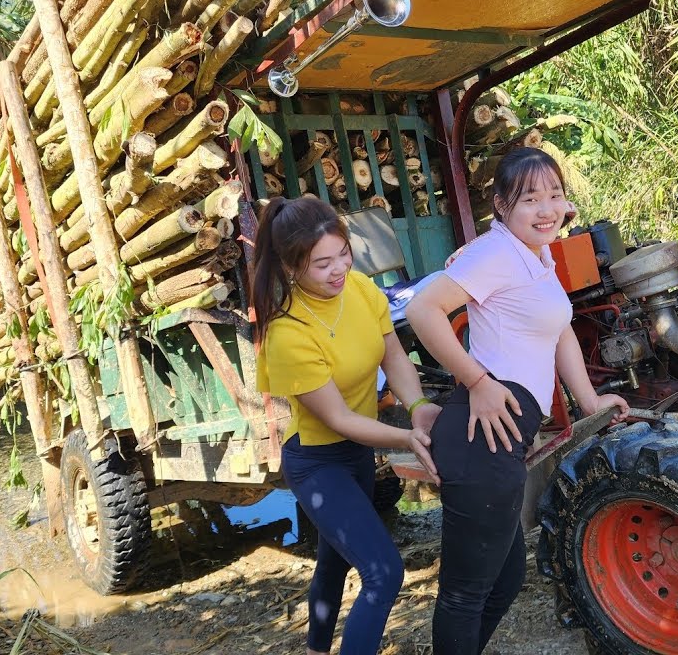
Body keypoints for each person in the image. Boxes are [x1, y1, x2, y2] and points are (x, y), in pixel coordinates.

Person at [405, 147, 630, 654]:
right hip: (480, 440)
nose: (547, 208)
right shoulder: (496, 253)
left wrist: (591, 400)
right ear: (502, 206)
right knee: (465, 595)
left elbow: (560, 332)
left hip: (501, 442)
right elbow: (423, 310)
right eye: (530, 198)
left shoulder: (538, 253)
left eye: (555, 194)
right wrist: (479, 381)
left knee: (502, 585)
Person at [253, 196, 442, 655]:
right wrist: (407, 438)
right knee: (384, 572)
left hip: (356, 456)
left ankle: (316, 650)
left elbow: (394, 356)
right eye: (322, 264)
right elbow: (340, 419)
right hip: (318, 463)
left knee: (333, 562)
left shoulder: (360, 290)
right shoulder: (288, 333)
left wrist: (417, 403)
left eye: (343, 254)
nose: (338, 269)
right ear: (291, 267)